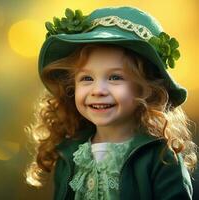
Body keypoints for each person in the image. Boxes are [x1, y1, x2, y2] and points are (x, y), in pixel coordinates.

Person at [25, 6, 198, 200]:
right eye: (86, 78)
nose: (98, 90)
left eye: (115, 77)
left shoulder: (161, 159)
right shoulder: (69, 154)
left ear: (146, 88)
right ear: (72, 87)